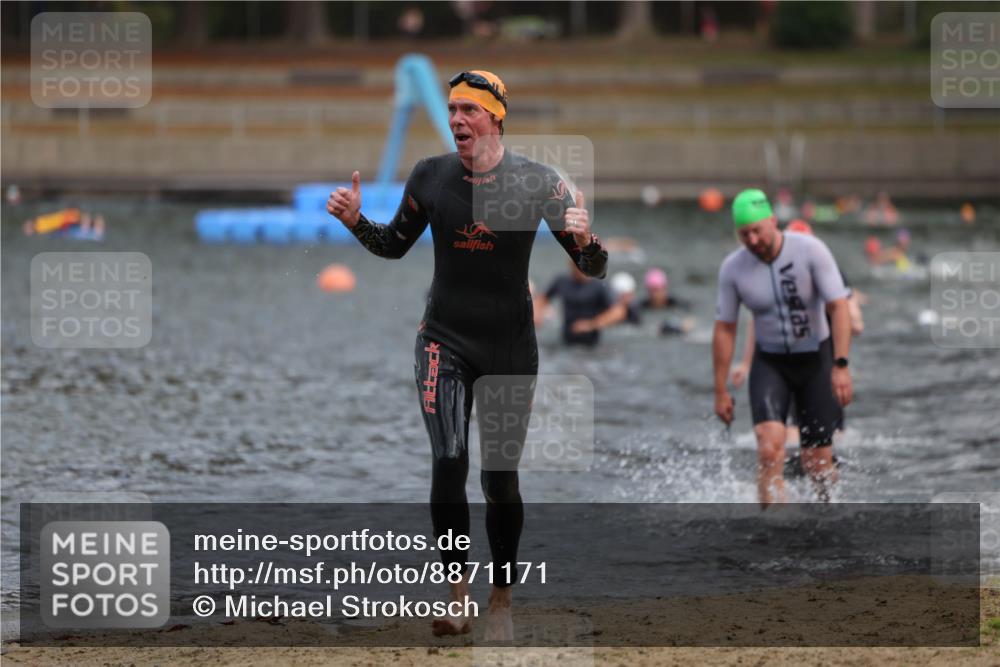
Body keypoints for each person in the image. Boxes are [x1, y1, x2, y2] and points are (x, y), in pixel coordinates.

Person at [326, 69, 608, 639]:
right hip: (444, 340)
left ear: (495, 119)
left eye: (468, 110)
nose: (457, 119)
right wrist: (356, 222)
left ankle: (500, 601)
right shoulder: (430, 177)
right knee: (449, 457)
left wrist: (586, 241)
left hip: (510, 348)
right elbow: (392, 245)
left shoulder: (538, 183)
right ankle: (457, 598)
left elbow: (594, 268)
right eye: (452, 109)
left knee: (499, 480)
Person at [712, 189, 853, 506]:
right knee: (768, 447)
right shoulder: (733, 268)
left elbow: (839, 306)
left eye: (757, 230)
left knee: (816, 462)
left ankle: (829, 512)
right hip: (770, 362)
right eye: (744, 234)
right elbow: (724, 328)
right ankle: (772, 521)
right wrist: (720, 389)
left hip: (815, 360)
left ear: (773, 221)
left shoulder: (810, 250)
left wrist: (841, 364)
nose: (752, 240)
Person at [730, 219, 864, 448]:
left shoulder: (826, 267)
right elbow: (758, 320)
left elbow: (855, 320)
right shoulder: (771, 270)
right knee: (785, 434)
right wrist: (746, 362)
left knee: (828, 438)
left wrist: (841, 357)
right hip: (783, 360)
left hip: (822, 359)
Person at [534, 258, 624, 345]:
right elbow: (542, 298)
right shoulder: (562, 281)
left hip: (592, 342)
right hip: (567, 339)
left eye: (581, 266)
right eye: (575, 265)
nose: (578, 269)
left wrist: (591, 324)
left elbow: (618, 312)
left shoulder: (600, 285)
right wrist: (537, 314)